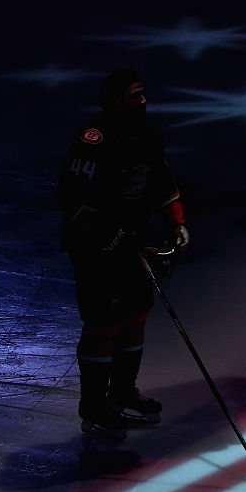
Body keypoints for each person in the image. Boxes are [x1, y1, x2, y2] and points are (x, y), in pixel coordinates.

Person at [56, 69, 190, 441]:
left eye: (143, 93)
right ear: (116, 101)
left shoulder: (147, 136)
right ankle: (95, 407)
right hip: (96, 247)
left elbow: (163, 184)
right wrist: (105, 243)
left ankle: (122, 393)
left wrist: (176, 222)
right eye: (136, 95)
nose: (144, 100)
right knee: (104, 322)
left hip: (132, 241)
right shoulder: (93, 140)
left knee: (137, 314)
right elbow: (72, 198)